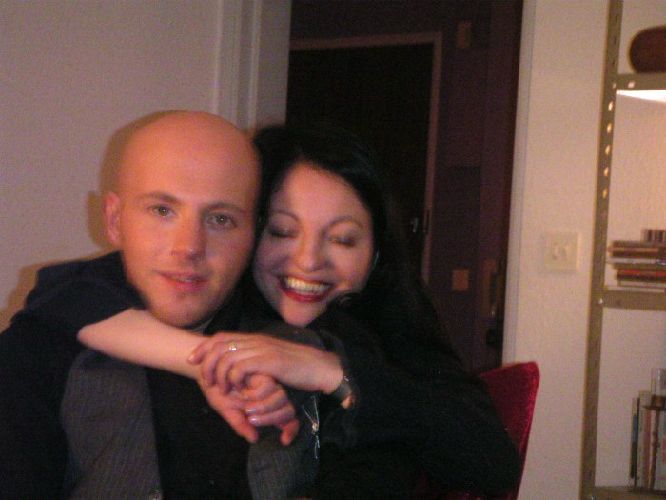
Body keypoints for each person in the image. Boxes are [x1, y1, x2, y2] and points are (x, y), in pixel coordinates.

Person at [16, 119, 520, 496]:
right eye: (281, 231)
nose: (307, 260)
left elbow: (486, 460)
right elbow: (62, 293)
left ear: (376, 254)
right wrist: (205, 359)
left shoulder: (373, 340)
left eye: (343, 238)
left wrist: (330, 370)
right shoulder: (187, 300)